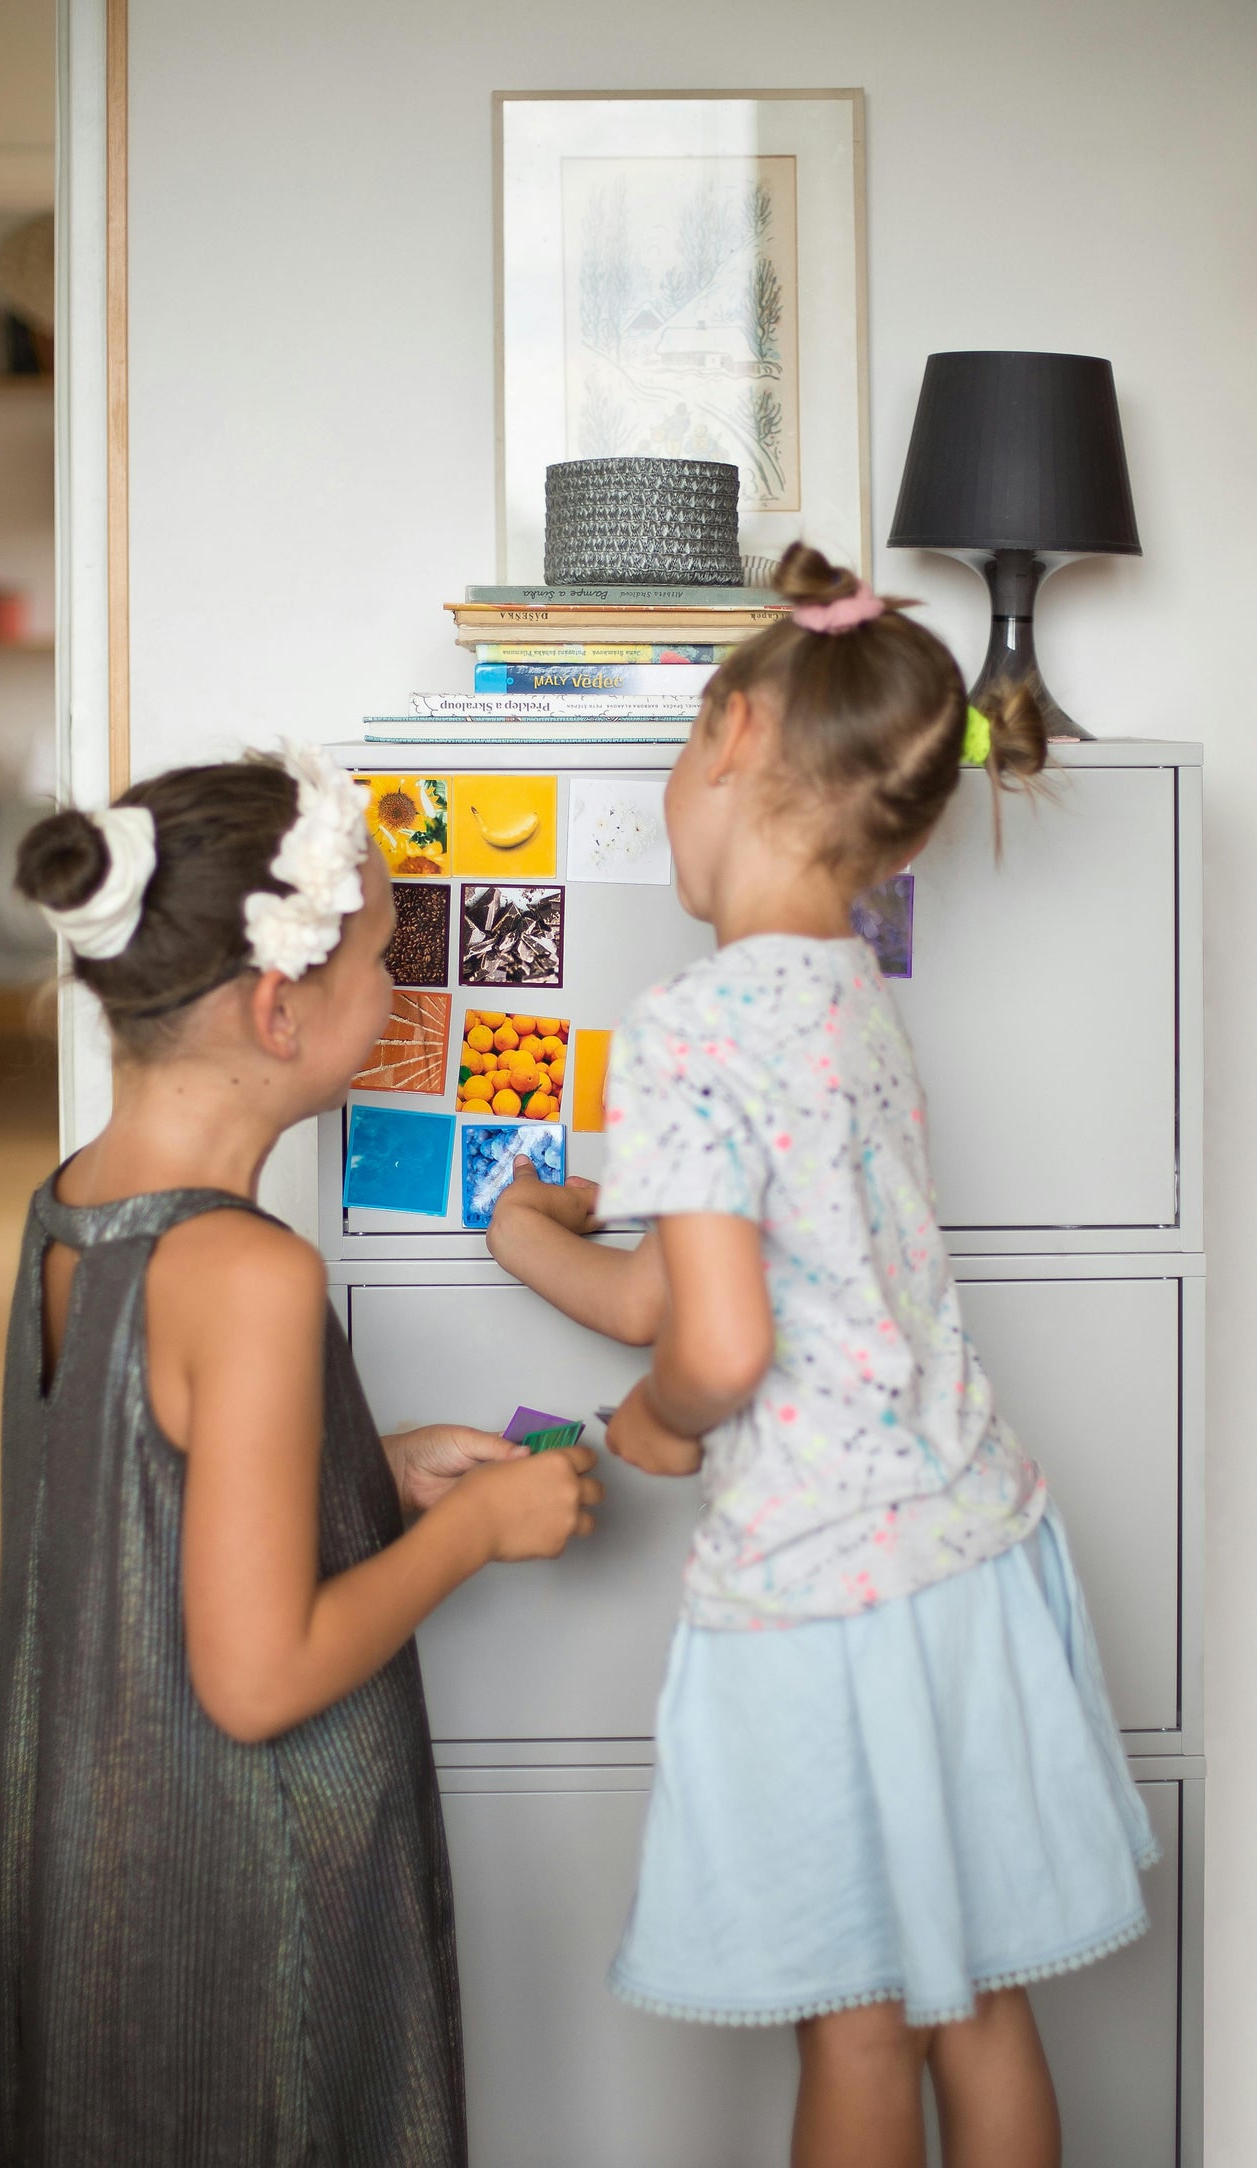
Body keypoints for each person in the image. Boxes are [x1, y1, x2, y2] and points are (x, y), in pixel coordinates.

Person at [486, 544, 1156, 2168]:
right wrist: (535, 1239)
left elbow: (710, 1340)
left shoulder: (688, 1022)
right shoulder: (848, 994)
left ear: (726, 734)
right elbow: (673, 1289)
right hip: (973, 1551)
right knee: (976, 2000)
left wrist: (656, 1428)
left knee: (853, 2019)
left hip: (819, 1589)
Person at [0, 747, 602, 2168]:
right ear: (278, 1009)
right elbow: (257, 1681)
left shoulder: (70, 1208)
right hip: (246, 1899)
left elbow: (132, 1493)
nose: (399, 993)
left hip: (97, 1861)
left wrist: (365, 1474)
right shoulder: (252, 1275)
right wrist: (477, 1530)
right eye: (384, 960)